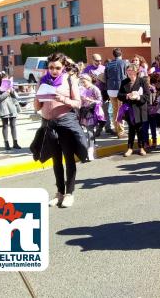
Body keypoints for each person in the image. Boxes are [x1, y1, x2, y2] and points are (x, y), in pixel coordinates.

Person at [32, 52, 88, 208]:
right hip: (48, 124)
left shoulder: (69, 80)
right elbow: (37, 107)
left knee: (68, 158)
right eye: (51, 67)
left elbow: (78, 103)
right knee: (56, 160)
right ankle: (59, 193)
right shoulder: (42, 82)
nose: (54, 70)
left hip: (65, 122)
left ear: (63, 67)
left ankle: (69, 193)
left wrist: (61, 98)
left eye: (57, 67)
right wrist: (38, 98)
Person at [118, 64, 151, 157]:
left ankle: (141, 147)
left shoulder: (142, 81)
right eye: (128, 70)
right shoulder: (124, 81)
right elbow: (119, 95)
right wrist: (126, 95)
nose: (130, 72)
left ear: (136, 71)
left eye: (132, 70)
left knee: (140, 129)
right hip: (129, 109)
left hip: (139, 108)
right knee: (131, 129)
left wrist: (138, 97)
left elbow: (147, 96)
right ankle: (130, 148)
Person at [83, 53, 111, 137]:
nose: (99, 62)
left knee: (105, 111)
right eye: (97, 61)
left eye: (100, 60)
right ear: (92, 60)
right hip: (92, 94)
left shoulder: (104, 68)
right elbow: (83, 80)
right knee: (96, 112)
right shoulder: (87, 69)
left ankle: (108, 128)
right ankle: (98, 129)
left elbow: (108, 79)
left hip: (103, 92)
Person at [78, 73, 103, 160]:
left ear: (89, 80)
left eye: (84, 82)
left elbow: (100, 101)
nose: (82, 84)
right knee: (84, 131)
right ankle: (90, 146)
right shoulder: (81, 89)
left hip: (92, 112)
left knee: (89, 132)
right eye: (81, 82)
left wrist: (90, 100)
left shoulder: (94, 89)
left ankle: (90, 151)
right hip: (83, 111)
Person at [0, 72, 21, 151]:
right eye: (4, 80)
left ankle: (15, 143)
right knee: (5, 125)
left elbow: (16, 97)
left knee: (13, 125)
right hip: (4, 109)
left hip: (12, 107)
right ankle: (6, 143)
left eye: (7, 80)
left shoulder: (11, 87)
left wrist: (12, 90)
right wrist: (6, 93)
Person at [105, 48, 127, 138]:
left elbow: (106, 77)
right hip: (120, 89)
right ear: (121, 54)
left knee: (115, 111)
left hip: (110, 89)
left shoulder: (108, 64)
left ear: (113, 55)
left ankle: (117, 129)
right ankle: (121, 132)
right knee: (120, 111)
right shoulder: (124, 63)